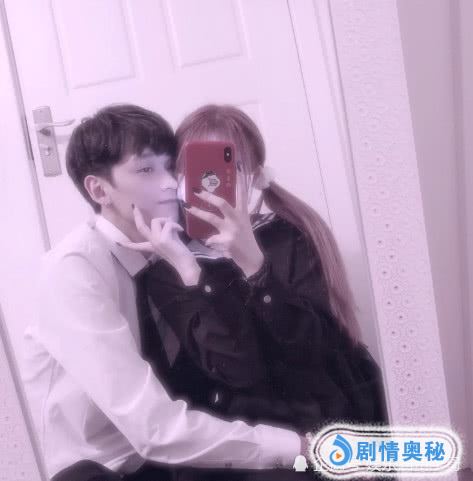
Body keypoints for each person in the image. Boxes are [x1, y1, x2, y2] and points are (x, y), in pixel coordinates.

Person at [21, 104, 310, 481]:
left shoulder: (170, 249)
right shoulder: (74, 270)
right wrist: (294, 447)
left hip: (171, 454)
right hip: (103, 469)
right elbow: (153, 429)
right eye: (146, 169)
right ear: (99, 189)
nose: (171, 183)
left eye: (170, 166)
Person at [121, 105, 393, 480]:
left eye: (228, 165)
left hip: (320, 407)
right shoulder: (169, 265)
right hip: (244, 428)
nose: (211, 181)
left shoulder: (289, 235)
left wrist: (254, 263)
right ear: (179, 179)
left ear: (255, 176)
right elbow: (237, 368)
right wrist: (191, 271)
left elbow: (311, 350)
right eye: (196, 167)